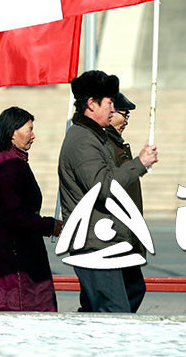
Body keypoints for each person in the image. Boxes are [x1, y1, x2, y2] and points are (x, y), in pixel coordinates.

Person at [58, 70, 158, 313]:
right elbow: (102, 187)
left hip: (108, 240)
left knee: (128, 292)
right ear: (91, 104)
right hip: (95, 244)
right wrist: (139, 164)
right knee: (113, 312)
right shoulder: (83, 140)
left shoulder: (95, 136)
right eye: (110, 102)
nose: (114, 109)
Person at [0, 106, 62, 311]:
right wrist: (50, 226)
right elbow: (13, 214)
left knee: (33, 301)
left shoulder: (15, 160)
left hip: (18, 241)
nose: (33, 136)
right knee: (13, 307)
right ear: (12, 132)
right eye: (29, 129)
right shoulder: (6, 164)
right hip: (8, 244)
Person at [103, 92, 146, 312]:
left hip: (125, 231)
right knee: (119, 296)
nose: (126, 121)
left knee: (132, 288)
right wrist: (140, 163)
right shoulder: (104, 144)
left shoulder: (116, 143)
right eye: (124, 114)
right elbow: (109, 184)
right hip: (113, 234)